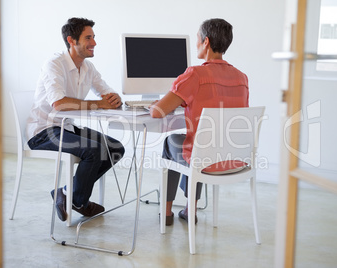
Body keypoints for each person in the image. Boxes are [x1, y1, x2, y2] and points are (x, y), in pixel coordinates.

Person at [149, 18, 249, 226]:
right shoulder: (242, 78)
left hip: (205, 161)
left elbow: (158, 113)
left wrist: (153, 105)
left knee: (173, 143)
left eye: (197, 39)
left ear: (206, 42)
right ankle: (189, 209)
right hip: (234, 159)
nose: (196, 44)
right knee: (203, 141)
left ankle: (166, 214)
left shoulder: (195, 74)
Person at [26, 17, 125, 222]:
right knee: (93, 151)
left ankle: (66, 193)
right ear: (72, 40)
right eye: (88, 38)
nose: (94, 43)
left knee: (115, 148)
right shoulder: (54, 64)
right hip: (44, 132)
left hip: (66, 127)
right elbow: (59, 104)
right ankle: (78, 201)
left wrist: (115, 98)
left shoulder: (88, 67)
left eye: (94, 37)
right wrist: (100, 104)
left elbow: (106, 92)